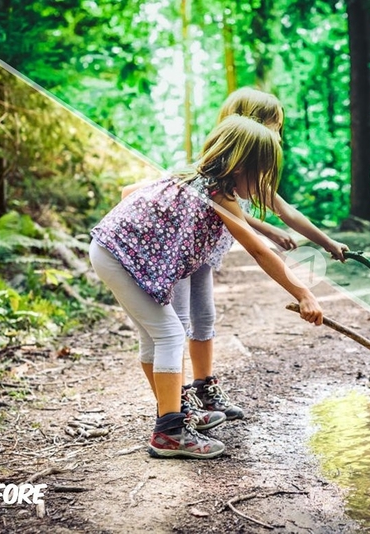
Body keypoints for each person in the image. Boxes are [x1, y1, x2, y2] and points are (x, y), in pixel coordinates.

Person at [89, 115, 323, 459]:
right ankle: (169, 433)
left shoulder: (198, 179)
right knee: (169, 334)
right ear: (240, 166)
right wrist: (303, 293)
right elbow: (258, 249)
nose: (261, 185)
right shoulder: (217, 193)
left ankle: (174, 415)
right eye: (259, 174)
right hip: (120, 256)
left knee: (156, 337)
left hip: (112, 251)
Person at [124, 87, 348, 423]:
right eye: (274, 127)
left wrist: (327, 242)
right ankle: (177, 400)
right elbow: (224, 211)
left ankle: (204, 386)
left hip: (202, 255)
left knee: (205, 317)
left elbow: (284, 212)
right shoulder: (209, 172)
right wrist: (299, 286)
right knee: (178, 323)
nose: (278, 136)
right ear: (251, 127)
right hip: (178, 253)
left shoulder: (249, 174)